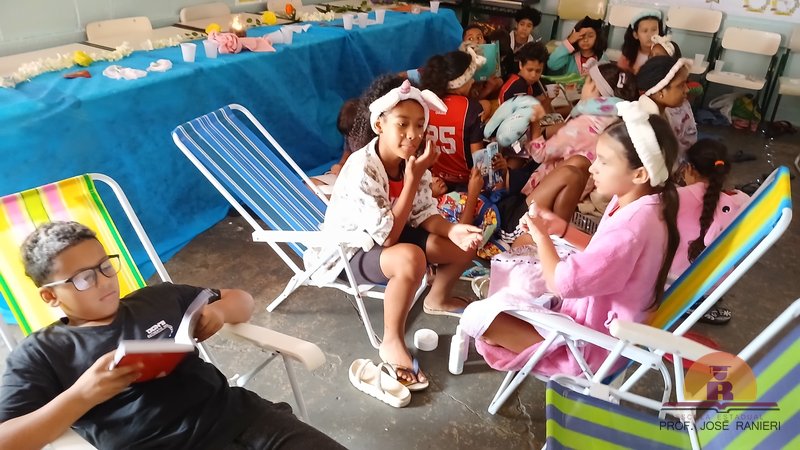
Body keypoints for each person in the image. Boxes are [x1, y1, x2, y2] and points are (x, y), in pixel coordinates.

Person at [0, 221, 344, 450]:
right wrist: (81, 396)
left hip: (244, 419)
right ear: (50, 296)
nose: (104, 281)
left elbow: (242, 300)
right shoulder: (43, 352)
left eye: (105, 266)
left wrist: (220, 312)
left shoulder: (157, 298)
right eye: (83, 278)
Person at [458, 102, 680, 376]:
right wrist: (562, 229)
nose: (593, 168)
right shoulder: (644, 204)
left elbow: (562, 283)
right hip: (599, 324)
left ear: (640, 174)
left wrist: (542, 237)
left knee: (476, 316)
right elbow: (603, 253)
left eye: (604, 161)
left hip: (589, 347)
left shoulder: (631, 229)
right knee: (523, 261)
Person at [304, 80, 483, 388]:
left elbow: (424, 212)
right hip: (350, 251)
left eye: (419, 125)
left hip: (393, 234)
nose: (413, 134)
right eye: (402, 124)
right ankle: (391, 341)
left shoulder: (410, 162)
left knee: (466, 244)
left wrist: (453, 230)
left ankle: (437, 298)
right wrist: (412, 180)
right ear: (379, 125)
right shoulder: (363, 169)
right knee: (411, 258)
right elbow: (387, 238)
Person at [520, 62, 638, 223]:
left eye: (586, 83)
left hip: (547, 195)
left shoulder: (582, 125)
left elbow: (539, 154)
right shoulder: (617, 128)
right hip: (576, 197)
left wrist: (534, 122)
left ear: (594, 87)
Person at [672, 139, 749, 324]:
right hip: (715, 284)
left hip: (671, 284)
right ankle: (701, 300)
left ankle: (689, 304)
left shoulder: (673, 200)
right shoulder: (741, 202)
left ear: (689, 169)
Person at [421, 49, 491, 188]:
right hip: (465, 182)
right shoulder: (472, 108)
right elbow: (479, 160)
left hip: (435, 180)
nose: (472, 81)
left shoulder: (425, 103)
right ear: (461, 81)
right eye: (470, 77)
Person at [638, 55, 697, 158]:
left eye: (686, 83)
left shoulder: (664, 113)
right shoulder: (648, 126)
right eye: (681, 85)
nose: (687, 90)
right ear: (660, 91)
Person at [498, 42, 549, 106]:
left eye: (538, 71)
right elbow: (524, 108)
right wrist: (545, 99)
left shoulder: (525, 82)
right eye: (529, 70)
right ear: (520, 65)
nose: (533, 75)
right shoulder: (518, 85)